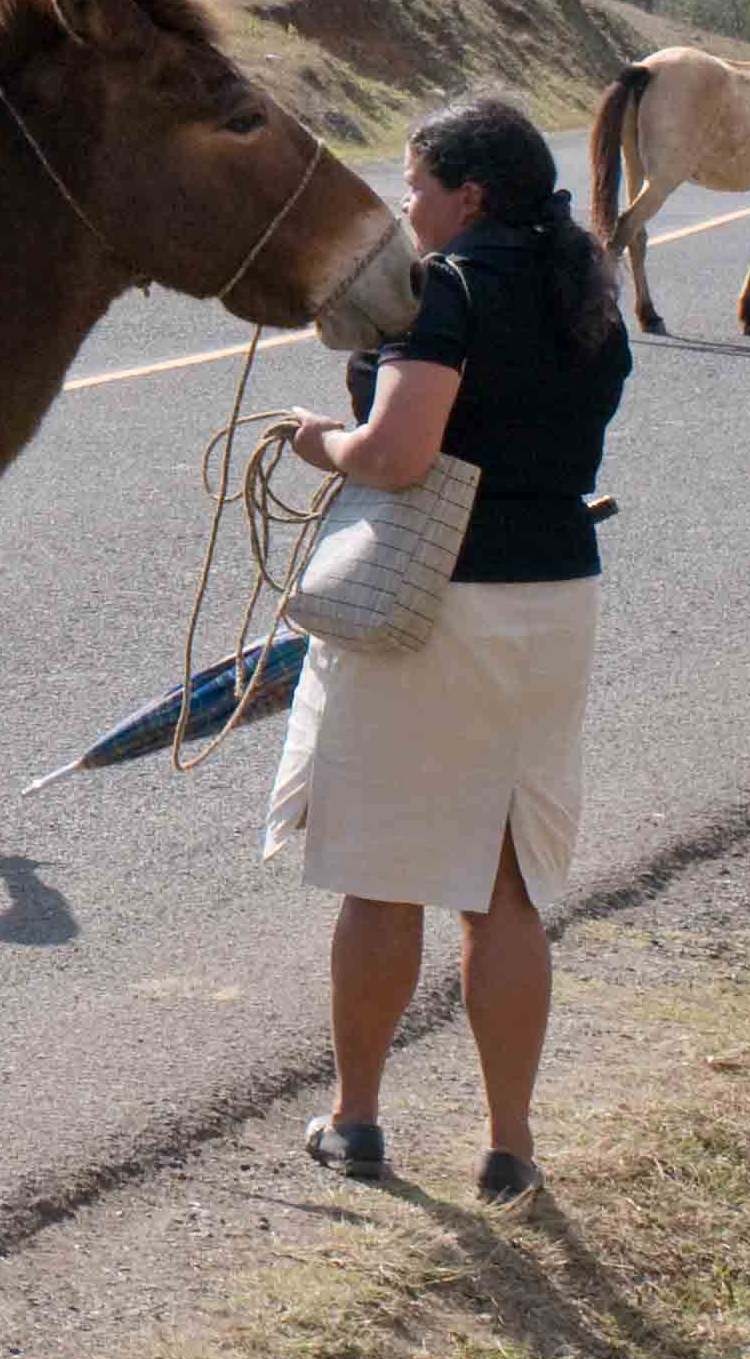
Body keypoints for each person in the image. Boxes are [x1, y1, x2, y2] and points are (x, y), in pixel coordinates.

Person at [268, 94, 631, 1210]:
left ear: (468, 194)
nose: (405, 204)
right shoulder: (586, 294)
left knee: (382, 873)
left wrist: (314, 439)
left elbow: (395, 453)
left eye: (418, 184)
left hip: (435, 601)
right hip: (552, 597)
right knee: (503, 882)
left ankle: (359, 1119)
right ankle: (508, 1145)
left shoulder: (454, 294)